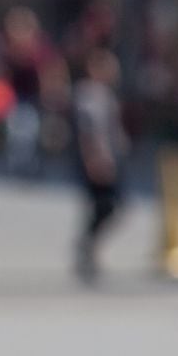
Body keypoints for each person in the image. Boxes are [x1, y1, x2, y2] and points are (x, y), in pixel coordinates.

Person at [72, 48, 128, 283]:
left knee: (110, 206)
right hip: (98, 159)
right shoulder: (89, 94)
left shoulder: (105, 93)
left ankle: (89, 247)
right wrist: (94, 158)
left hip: (110, 157)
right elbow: (88, 131)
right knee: (106, 205)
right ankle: (87, 246)